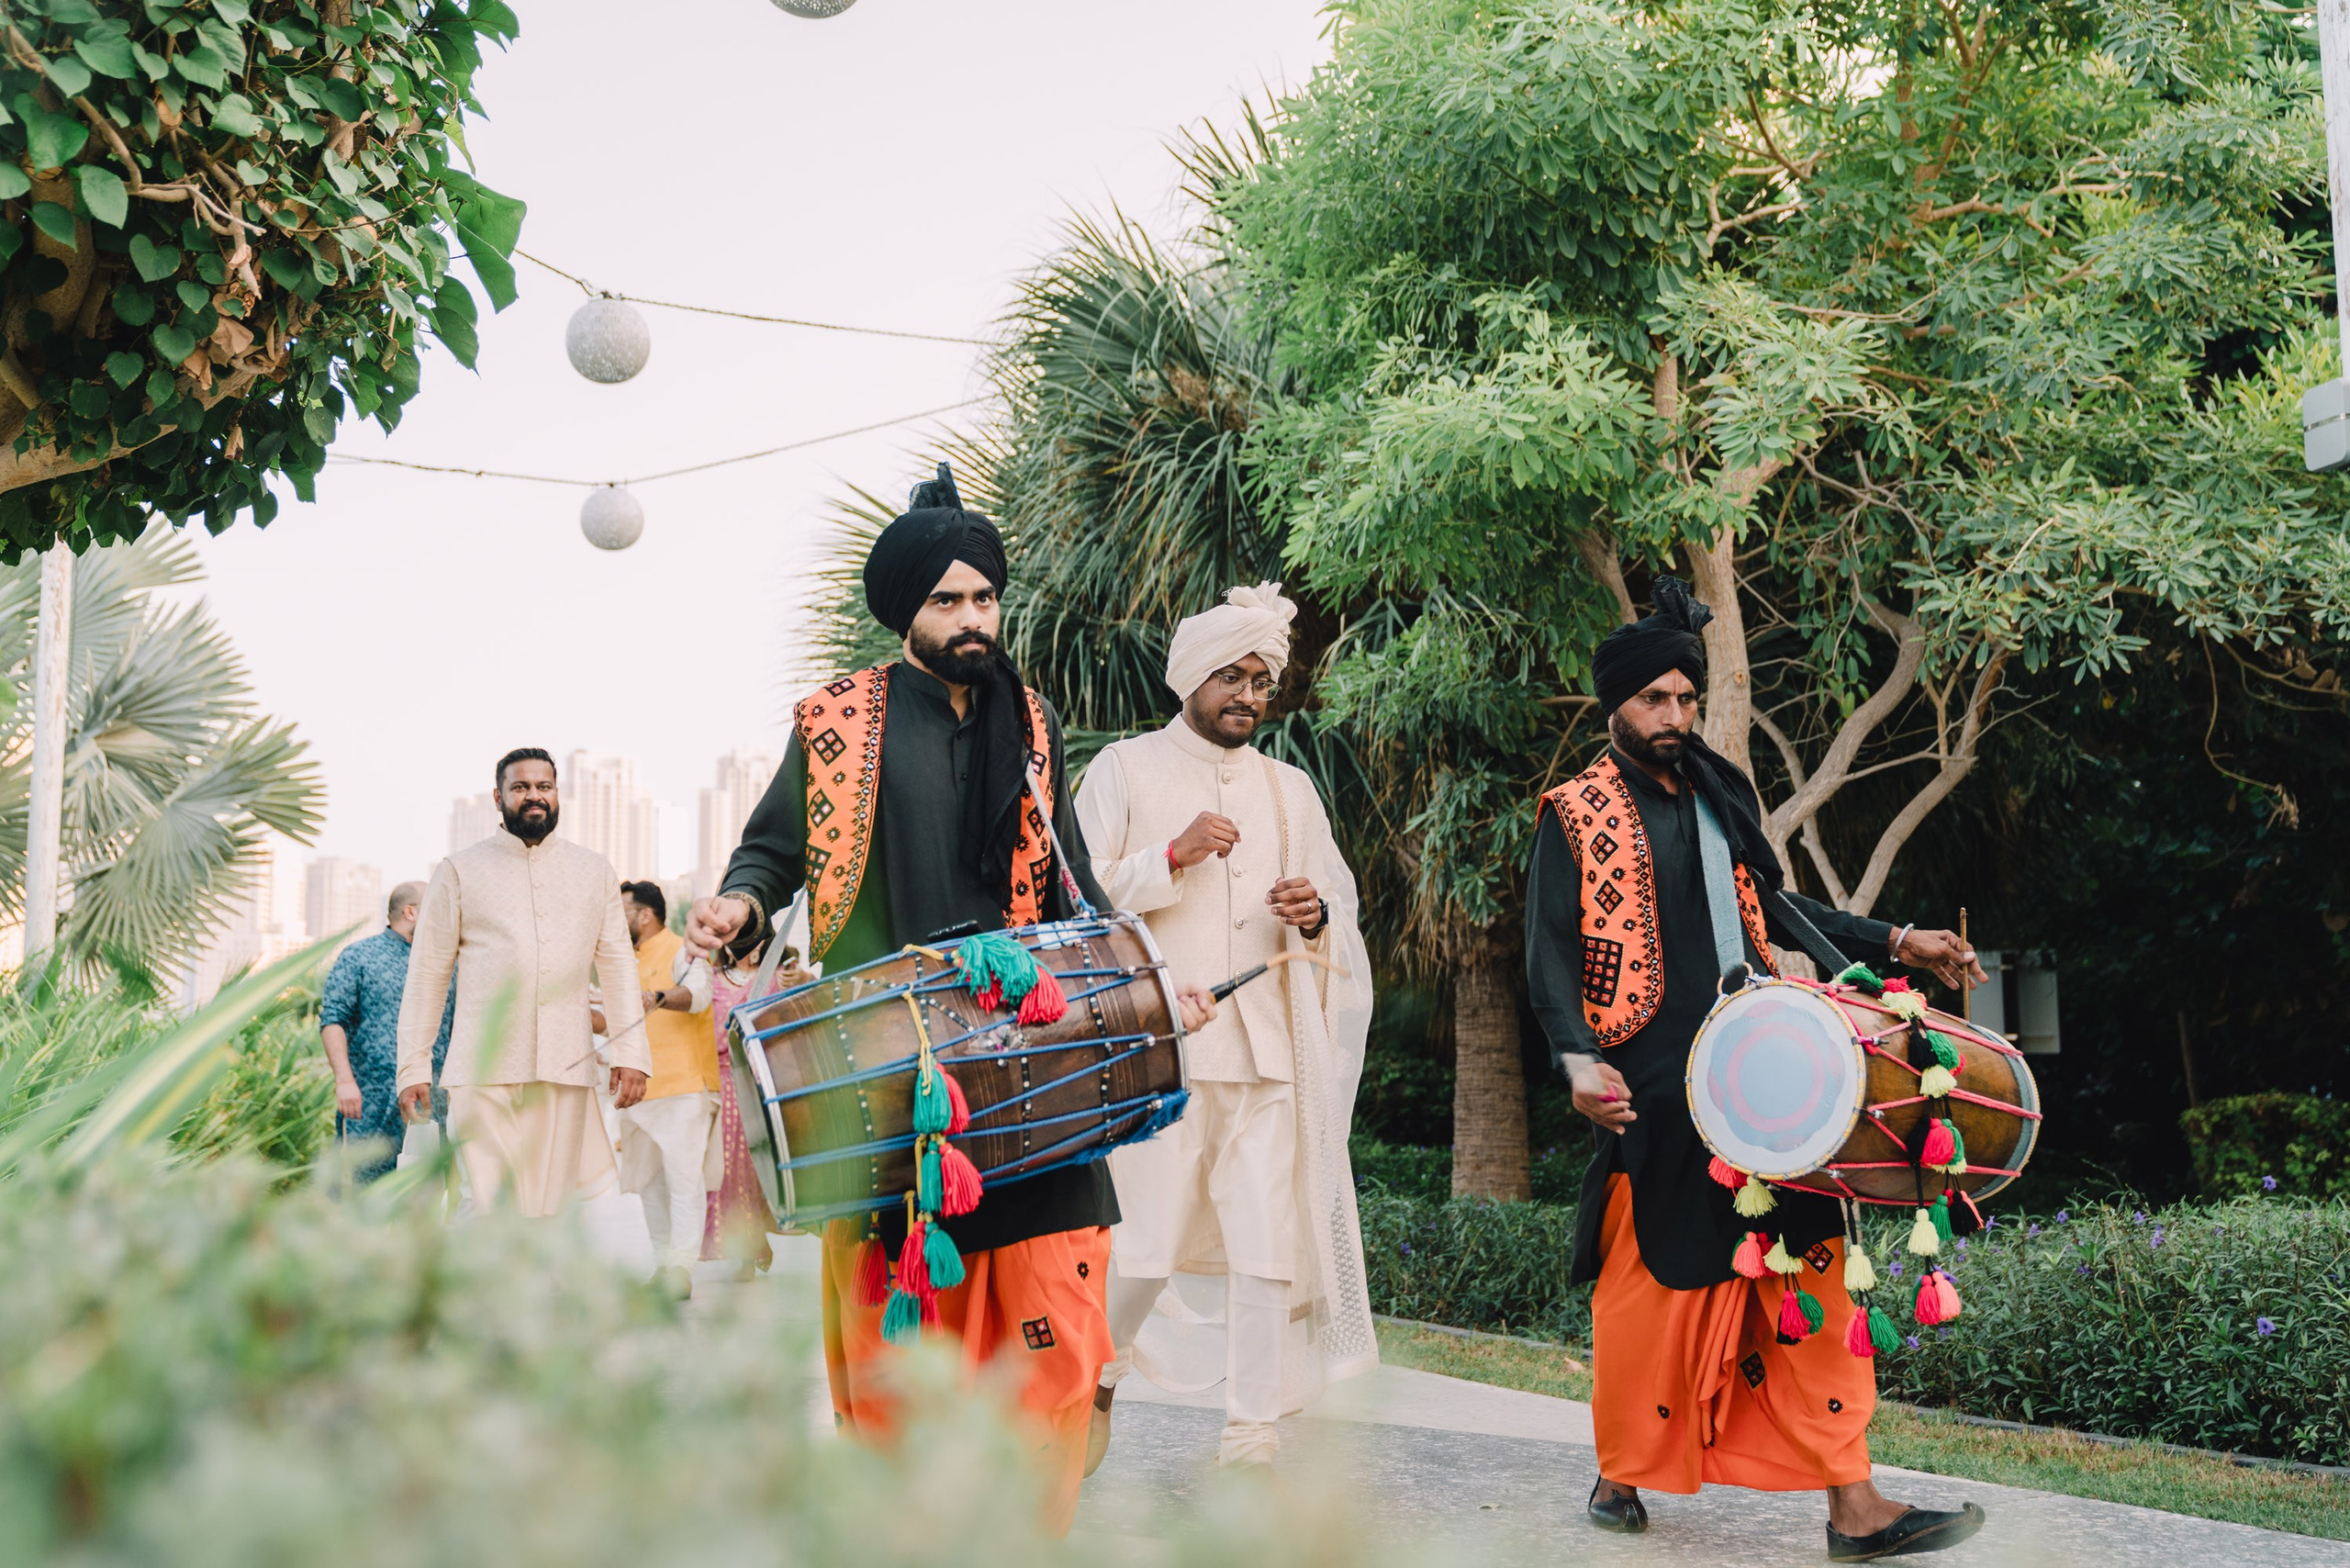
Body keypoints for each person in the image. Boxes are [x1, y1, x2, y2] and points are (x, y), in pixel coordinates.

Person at [684, 464, 1214, 1537]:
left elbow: (1070, 877)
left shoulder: (1033, 722)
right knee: (899, 1374)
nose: (971, 619)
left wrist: (1151, 984)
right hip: (894, 1077)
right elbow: (772, 851)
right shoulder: (841, 721)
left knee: (1056, 1346)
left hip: (1033, 1065)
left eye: (983, 598)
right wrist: (740, 907)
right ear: (906, 614)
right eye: (946, 602)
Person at [1526, 577, 1990, 1561]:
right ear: (1616, 702)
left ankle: (1852, 1503)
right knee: (1660, 1276)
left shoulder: (1718, 795)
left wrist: (1900, 939)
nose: (1673, 716)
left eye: (1685, 698)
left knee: (1809, 1262)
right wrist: (1576, 1059)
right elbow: (1548, 954)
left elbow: (1783, 914)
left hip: (1766, 1069)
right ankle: (1622, 1464)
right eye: (1654, 699)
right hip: (1652, 1080)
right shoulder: (1573, 810)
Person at [1076, 582, 1376, 1473]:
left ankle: (1252, 1436)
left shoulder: (1290, 791)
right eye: (1230, 676)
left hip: (1272, 1054)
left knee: (1265, 1249)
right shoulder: (1123, 770)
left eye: (1260, 679)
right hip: (1156, 1052)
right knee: (1145, 1243)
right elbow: (1075, 897)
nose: (1247, 694)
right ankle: (1102, 1367)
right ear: (1190, 679)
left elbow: (1339, 917)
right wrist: (1168, 857)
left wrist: (1313, 915)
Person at [397, 748, 650, 1215]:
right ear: (498, 798)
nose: (534, 796)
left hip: (564, 1061)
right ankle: (480, 1289)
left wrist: (631, 1054)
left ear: (557, 794)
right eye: (520, 787)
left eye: (544, 786)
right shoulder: (458, 870)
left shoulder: (593, 872)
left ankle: (533, 1290)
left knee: (548, 1205)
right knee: (484, 1199)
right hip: (481, 1064)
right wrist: (412, 1067)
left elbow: (617, 966)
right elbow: (428, 974)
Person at [611, 879, 717, 1298]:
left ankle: (681, 1270)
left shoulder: (684, 951)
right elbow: (616, 1022)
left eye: (622, 914)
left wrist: (654, 996)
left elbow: (699, 996)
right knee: (650, 1185)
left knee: (683, 1183)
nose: (617, 924)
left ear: (644, 915)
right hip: (638, 1094)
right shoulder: (622, 961)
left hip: (683, 1088)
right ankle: (663, 1266)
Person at [319, 882, 453, 1183]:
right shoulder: (358, 956)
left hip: (433, 1108)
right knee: (365, 1194)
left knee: (428, 1199)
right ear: (411, 912)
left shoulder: (447, 965)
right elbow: (332, 1020)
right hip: (369, 1105)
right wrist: (344, 1081)